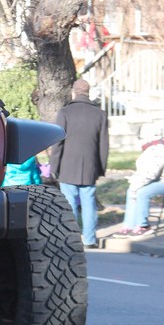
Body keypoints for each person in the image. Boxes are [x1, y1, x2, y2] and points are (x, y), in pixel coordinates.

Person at [49, 78, 109, 249]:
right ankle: (90, 239)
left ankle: (72, 239)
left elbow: (58, 142)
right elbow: (104, 145)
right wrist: (101, 168)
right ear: (88, 92)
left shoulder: (65, 112)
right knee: (89, 203)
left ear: (74, 92)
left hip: (67, 166)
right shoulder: (100, 114)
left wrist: (54, 166)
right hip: (90, 166)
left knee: (69, 203)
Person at [114, 125, 164, 237]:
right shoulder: (153, 148)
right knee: (132, 190)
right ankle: (129, 225)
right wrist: (135, 181)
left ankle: (143, 226)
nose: (140, 139)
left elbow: (151, 173)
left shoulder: (159, 149)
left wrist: (136, 184)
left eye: (141, 136)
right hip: (163, 181)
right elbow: (146, 172)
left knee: (142, 192)